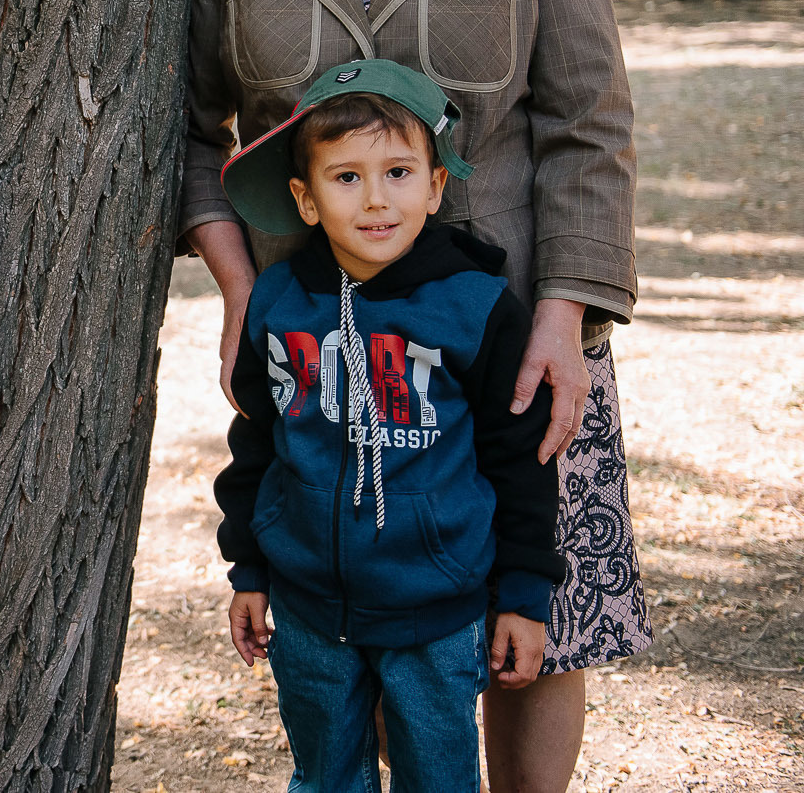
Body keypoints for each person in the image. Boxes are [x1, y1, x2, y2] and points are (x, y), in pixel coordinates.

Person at [186, 0, 647, 790]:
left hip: (514, 326)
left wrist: (567, 314)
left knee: (537, 625)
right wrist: (244, 290)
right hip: (325, 347)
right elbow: (187, 133)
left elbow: (588, 125)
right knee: (368, 632)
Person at [213, 60, 564, 791]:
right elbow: (254, 442)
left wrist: (524, 595)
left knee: (438, 778)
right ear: (305, 200)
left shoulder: (477, 307)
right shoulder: (279, 302)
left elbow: (519, 460)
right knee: (325, 777)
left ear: (436, 187)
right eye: (346, 178)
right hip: (306, 606)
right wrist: (247, 567)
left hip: (436, 610)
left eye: (399, 172)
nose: (376, 199)